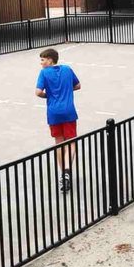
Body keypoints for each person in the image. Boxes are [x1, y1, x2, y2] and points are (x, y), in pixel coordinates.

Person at [34, 48, 81, 192]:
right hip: (69, 111)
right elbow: (78, 85)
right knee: (71, 142)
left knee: (59, 143)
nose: (41, 63)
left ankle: (63, 174)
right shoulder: (67, 69)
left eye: (42, 60)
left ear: (50, 59)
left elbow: (38, 92)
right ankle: (67, 170)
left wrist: (48, 96)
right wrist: (66, 90)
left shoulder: (44, 73)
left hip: (53, 113)